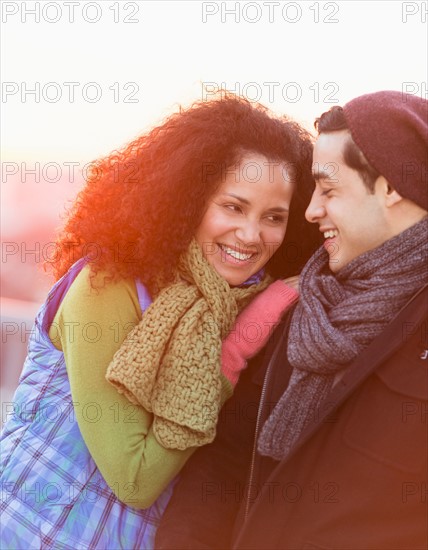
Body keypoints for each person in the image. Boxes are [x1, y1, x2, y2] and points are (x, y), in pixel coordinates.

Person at [0, 95, 320, 549]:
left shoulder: (236, 305)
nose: (252, 235)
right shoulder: (106, 285)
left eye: (273, 217)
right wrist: (235, 350)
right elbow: (134, 479)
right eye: (233, 207)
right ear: (187, 200)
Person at [155, 90, 428, 550]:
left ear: (391, 186)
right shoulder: (301, 307)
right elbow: (224, 464)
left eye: (329, 189)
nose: (311, 210)